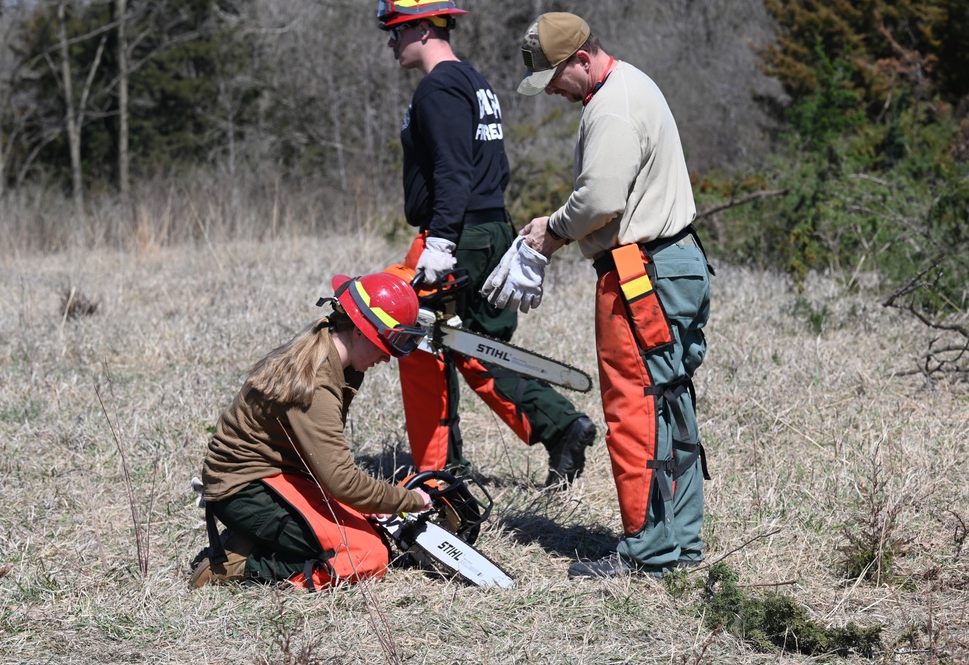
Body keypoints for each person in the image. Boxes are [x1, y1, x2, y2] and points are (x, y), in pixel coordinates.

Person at [485, 12, 713, 578]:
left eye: (555, 79)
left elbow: (601, 199)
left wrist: (551, 231)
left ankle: (650, 551)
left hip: (642, 273)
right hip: (672, 263)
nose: (554, 92)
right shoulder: (631, 85)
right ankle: (678, 541)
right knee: (667, 399)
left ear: (581, 59)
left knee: (636, 406)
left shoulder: (610, 106)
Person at [377, 0, 596, 487]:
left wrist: (440, 245)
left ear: (422, 27)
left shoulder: (439, 89)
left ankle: (441, 473)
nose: (391, 43)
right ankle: (554, 427)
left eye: (395, 31)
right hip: (485, 224)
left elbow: (454, 171)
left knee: (431, 345)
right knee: (474, 345)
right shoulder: (471, 82)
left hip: (461, 232)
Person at [188, 271, 433, 591]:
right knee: (367, 555)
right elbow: (342, 482)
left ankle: (253, 541)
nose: (387, 357)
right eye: (385, 343)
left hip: (274, 476)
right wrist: (409, 500)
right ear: (359, 330)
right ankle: (237, 566)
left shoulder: (327, 344)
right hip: (244, 488)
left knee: (371, 528)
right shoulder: (317, 379)